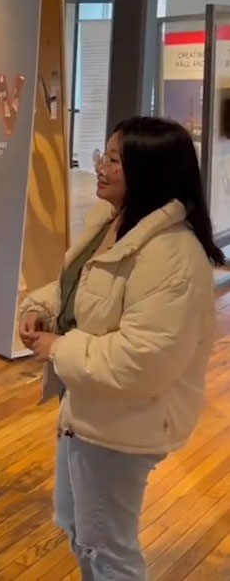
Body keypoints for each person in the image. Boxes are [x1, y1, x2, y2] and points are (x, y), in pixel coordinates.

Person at [20, 117, 223, 581]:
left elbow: (141, 362)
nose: (100, 167)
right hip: (88, 410)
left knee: (108, 550)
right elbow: (82, 290)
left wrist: (57, 347)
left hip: (124, 425)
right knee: (79, 531)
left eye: (114, 160)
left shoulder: (171, 256)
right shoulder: (111, 223)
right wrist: (40, 308)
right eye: (103, 155)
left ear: (148, 173)